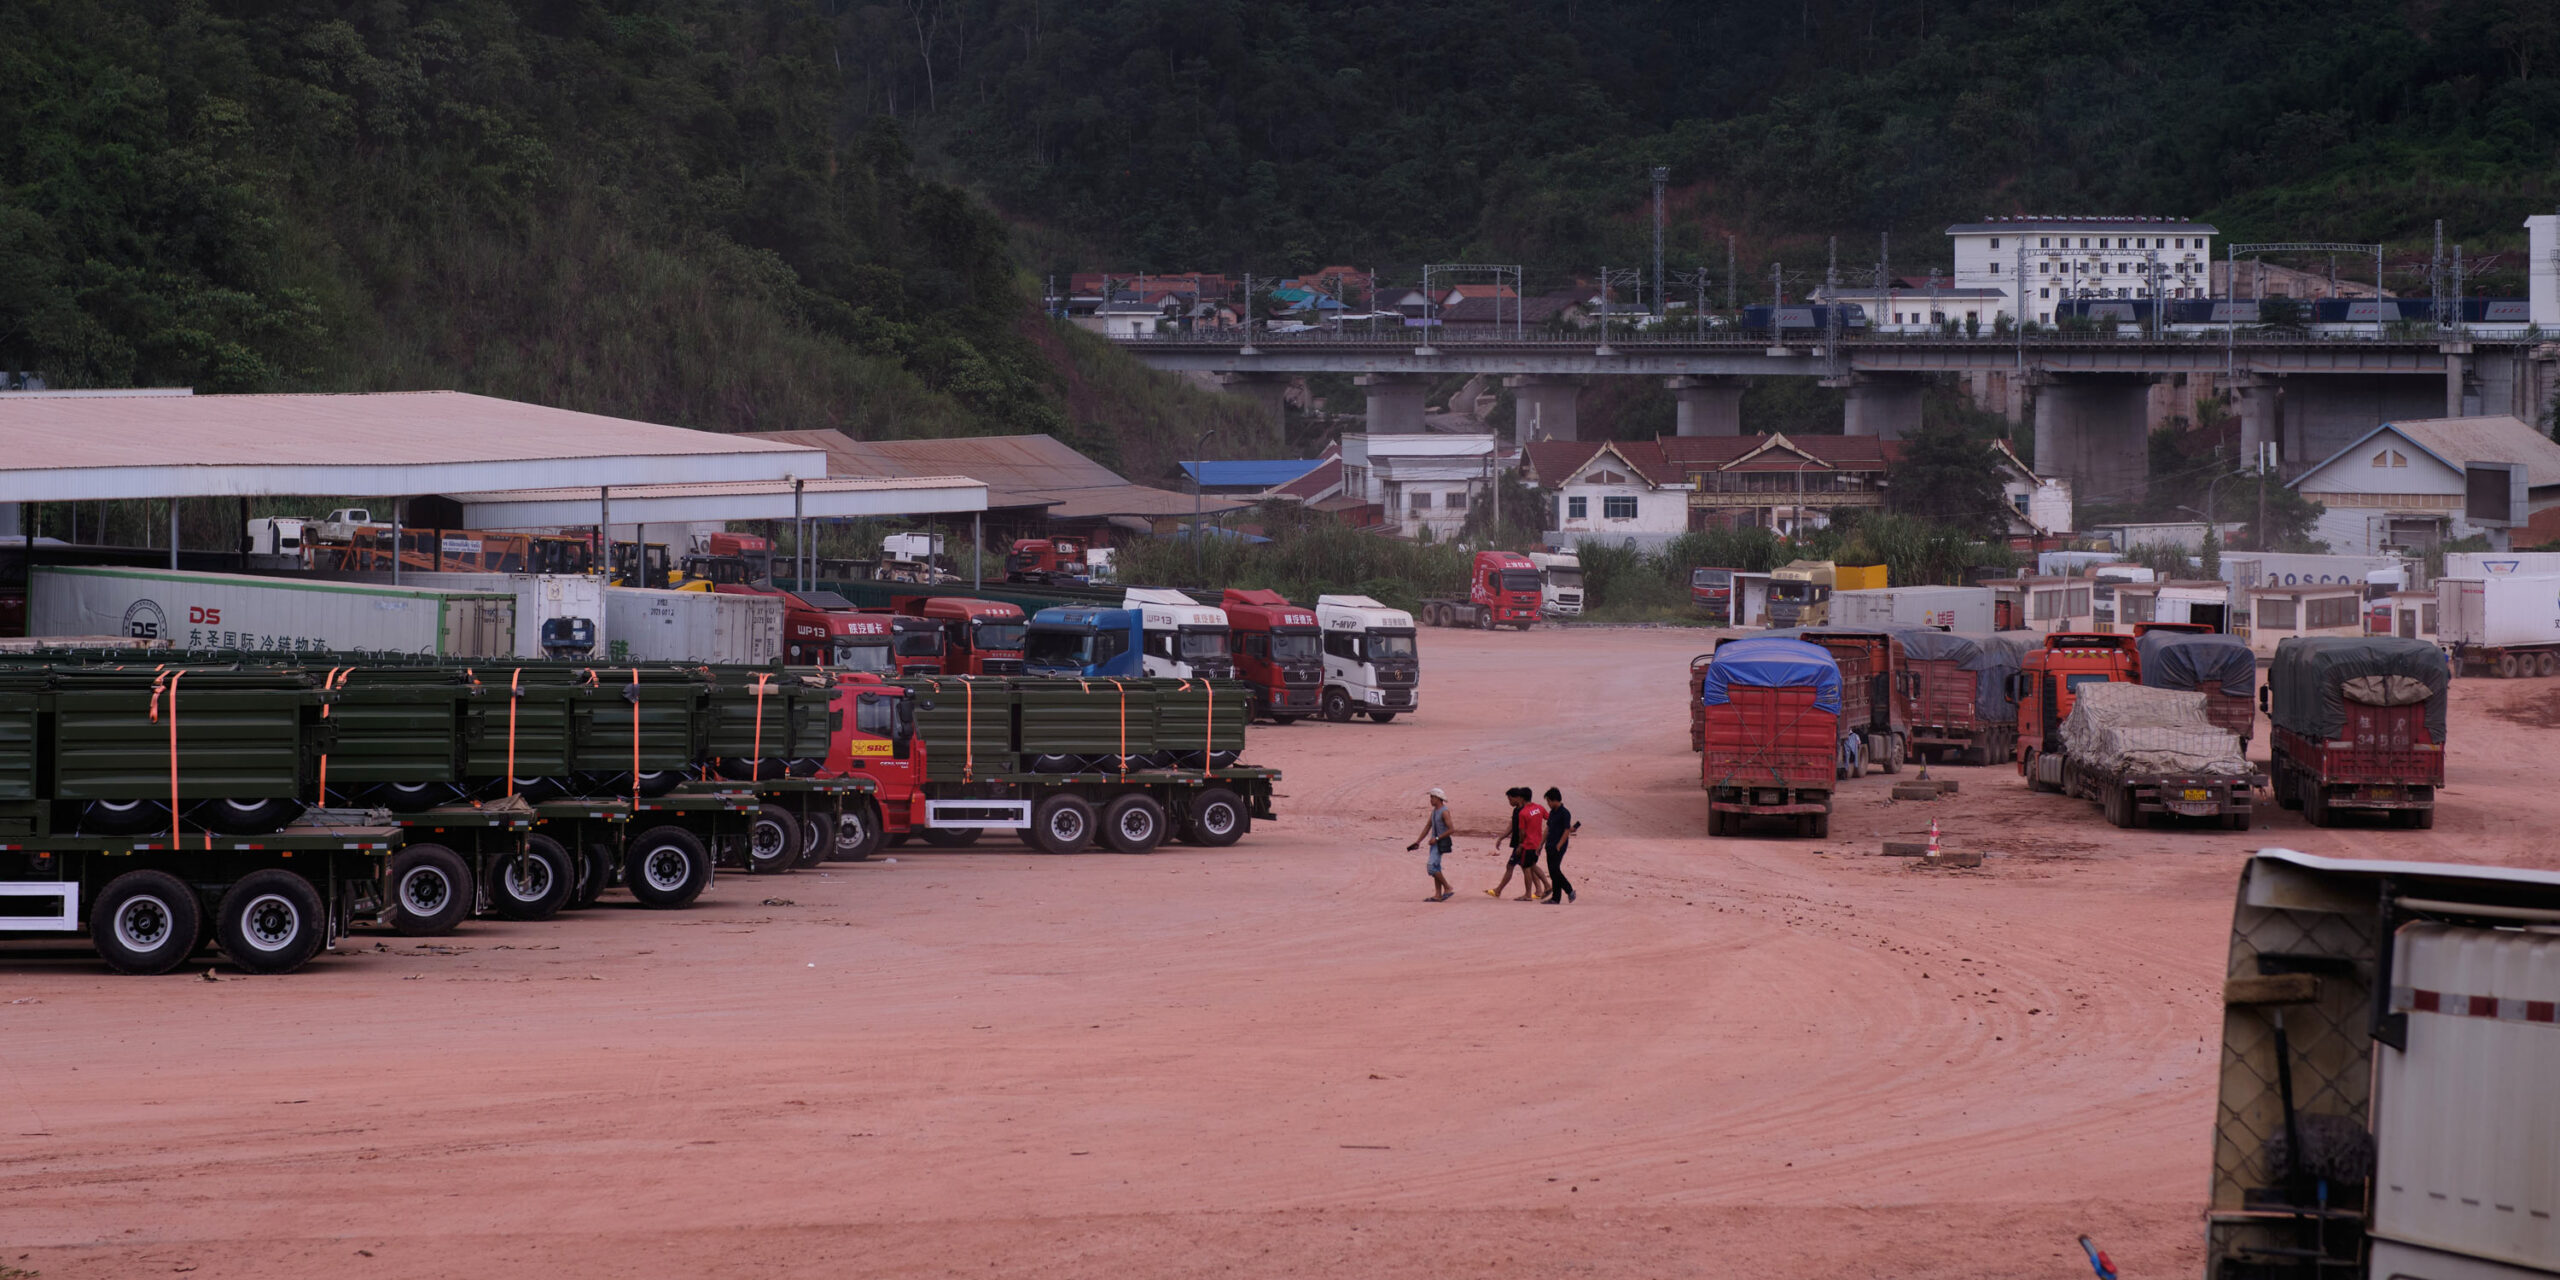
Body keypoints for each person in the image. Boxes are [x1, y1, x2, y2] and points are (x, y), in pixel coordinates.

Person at [1486, 787, 1549, 901]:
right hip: (1528, 843)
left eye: (1510, 799)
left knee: (1520, 866)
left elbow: (1522, 831)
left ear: (1518, 798)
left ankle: (1503, 891)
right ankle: (1540, 889)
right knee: (1529, 866)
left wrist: (1521, 844)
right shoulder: (1521, 810)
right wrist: (1501, 837)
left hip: (1524, 844)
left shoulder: (1523, 812)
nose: (1509, 802)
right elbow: (1512, 825)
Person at [1406, 787, 1456, 901]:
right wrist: (1418, 841)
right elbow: (1428, 826)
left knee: (1431, 867)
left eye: (1432, 797)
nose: (1430, 800)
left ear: (1438, 798)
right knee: (1436, 867)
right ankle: (1438, 895)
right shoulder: (1435, 812)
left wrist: (1437, 838)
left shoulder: (1444, 811)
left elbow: (1452, 829)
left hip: (1438, 843)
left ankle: (1447, 887)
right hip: (1435, 843)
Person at [1541, 786, 1579, 904]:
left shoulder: (1565, 813)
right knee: (1553, 871)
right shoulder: (1552, 812)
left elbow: (1566, 830)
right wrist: (1541, 844)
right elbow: (1548, 828)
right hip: (1550, 844)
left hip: (1558, 846)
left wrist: (1559, 845)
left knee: (1554, 870)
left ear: (1554, 800)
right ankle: (1556, 898)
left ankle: (1569, 891)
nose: (1548, 804)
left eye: (1548, 801)